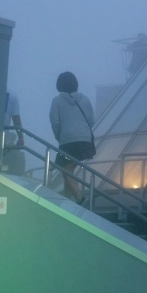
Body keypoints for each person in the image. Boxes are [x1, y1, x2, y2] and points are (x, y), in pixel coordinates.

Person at [49, 72, 96, 203]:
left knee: (65, 171)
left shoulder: (57, 101)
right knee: (69, 170)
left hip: (68, 141)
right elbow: (91, 120)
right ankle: (67, 200)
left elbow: (55, 122)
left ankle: (80, 199)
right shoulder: (85, 99)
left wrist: (59, 136)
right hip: (85, 140)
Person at [3, 90, 25, 175]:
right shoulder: (12, 96)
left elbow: (16, 120)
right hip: (3, 139)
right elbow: (16, 120)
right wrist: (21, 138)